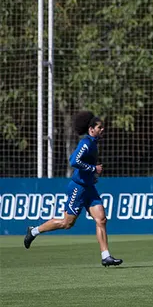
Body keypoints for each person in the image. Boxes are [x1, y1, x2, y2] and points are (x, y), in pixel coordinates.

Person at [24, 111, 123, 267]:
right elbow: (74, 160)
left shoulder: (94, 143)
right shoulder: (86, 143)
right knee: (67, 223)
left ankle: (106, 256)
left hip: (89, 188)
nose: (102, 130)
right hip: (78, 188)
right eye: (100, 127)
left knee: (101, 219)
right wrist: (92, 169)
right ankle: (34, 231)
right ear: (91, 129)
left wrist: (91, 176)